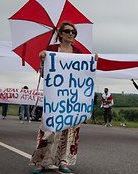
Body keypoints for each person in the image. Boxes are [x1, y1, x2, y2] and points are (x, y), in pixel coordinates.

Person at [31, 21, 98, 174]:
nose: (71, 34)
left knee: (70, 131)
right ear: (60, 33)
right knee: (50, 130)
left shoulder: (79, 53)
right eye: (68, 31)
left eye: (73, 32)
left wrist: (92, 61)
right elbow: (44, 74)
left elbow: (84, 74)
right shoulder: (52, 50)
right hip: (55, 99)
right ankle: (43, 161)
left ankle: (63, 161)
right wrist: (43, 60)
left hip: (72, 99)